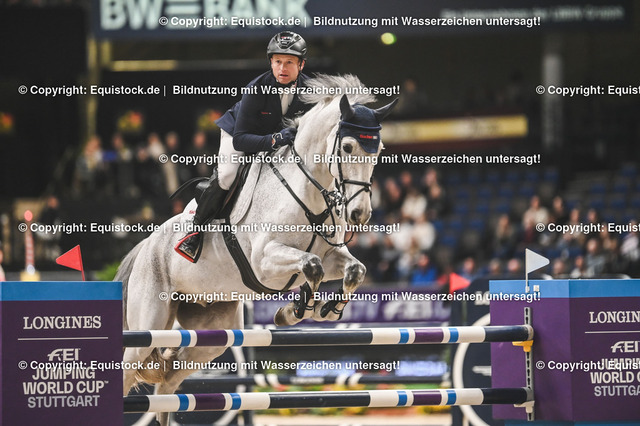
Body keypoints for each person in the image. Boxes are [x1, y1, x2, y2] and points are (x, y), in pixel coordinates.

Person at [175, 31, 312, 262]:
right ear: (271, 62)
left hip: (278, 139)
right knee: (228, 176)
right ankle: (195, 231)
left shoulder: (311, 90)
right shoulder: (256, 88)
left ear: (301, 64)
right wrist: (274, 140)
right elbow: (241, 139)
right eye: (278, 61)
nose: (282, 68)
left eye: (289, 62)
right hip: (238, 134)